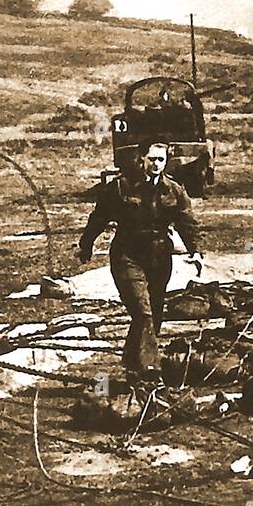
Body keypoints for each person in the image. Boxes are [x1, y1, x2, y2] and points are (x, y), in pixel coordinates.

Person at [78, 142, 204, 384]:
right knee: (142, 310)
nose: (156, 164)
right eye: (152, 159)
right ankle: (150, 371)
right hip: (128, 255)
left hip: (159, 258)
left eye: (161, 160)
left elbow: (187, 223)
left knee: (154, 313)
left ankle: (133, 366)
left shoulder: (174, 191)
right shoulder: (121, 187)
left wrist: (196, 251)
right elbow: (99, 217)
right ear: (142, 160)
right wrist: (86, 244)